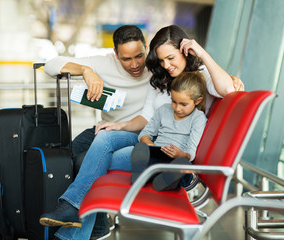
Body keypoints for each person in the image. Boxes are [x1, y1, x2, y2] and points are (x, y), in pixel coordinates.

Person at [39, 25, 243, 240]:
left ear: (186, 51)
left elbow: (228, 90)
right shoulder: (160, 78)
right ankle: (72, 209)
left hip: (168, 152)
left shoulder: (201, 75)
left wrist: (201, 53)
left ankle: (72, 223)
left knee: (95, 162)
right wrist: (118, 125)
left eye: (171, 58)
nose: (167, 65)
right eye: (162, 60)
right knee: (105, 136)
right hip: (150, 139)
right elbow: (146, 118)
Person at [44, 25, 151, 240]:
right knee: (66, 158)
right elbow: (51, 65)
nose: (135, 64)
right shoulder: (104, 63)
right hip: (105, 128)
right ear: (116, 55)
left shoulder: (156, 67)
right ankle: (99, 222)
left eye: (139, 56)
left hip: (136, 133)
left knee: (86, 161)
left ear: (146, 47)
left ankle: (79, 218)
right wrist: (86, 70)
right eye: (127, 59)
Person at [131, 71, 207, 191]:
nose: (177, 108)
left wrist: (180, 154)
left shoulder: (198, 118)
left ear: (197, 101)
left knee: (183, 164)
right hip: (158, 157)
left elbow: (191, 152)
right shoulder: (163, 110)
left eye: (183, 104)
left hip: (177, 161)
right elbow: (144, 134)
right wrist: (150, 145)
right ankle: (142, 176)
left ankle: (165, 181)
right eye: (174, 101)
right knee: (141, 147)